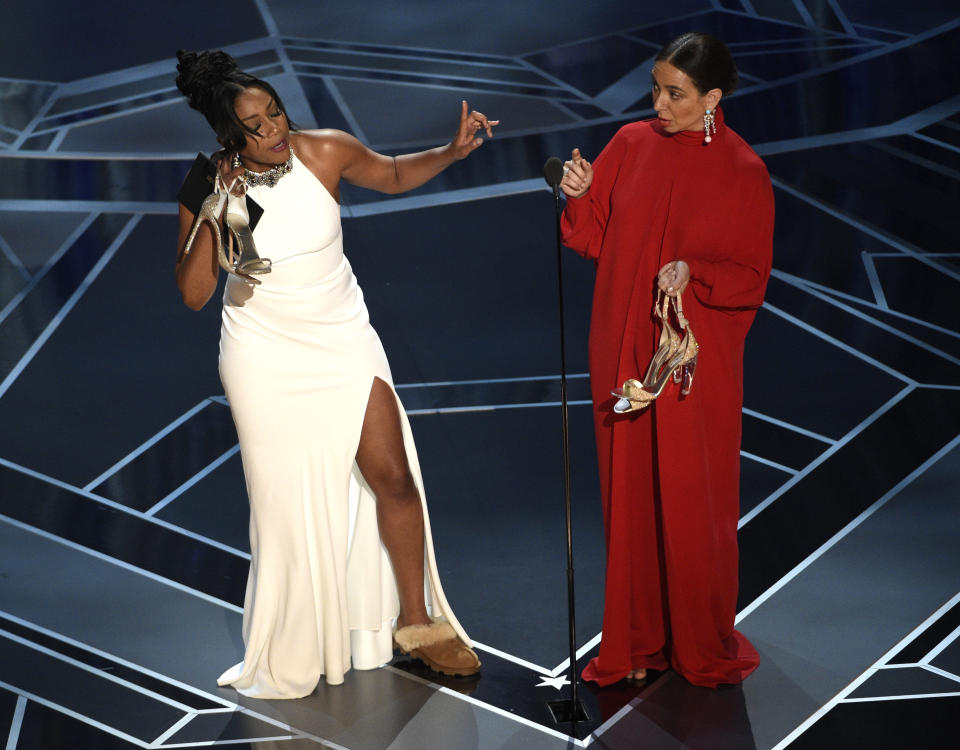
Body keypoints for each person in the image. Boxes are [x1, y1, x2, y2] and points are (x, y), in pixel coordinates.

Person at [173, 49, 498, 698]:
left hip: (342, 337)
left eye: (276, 113)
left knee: (393, 475)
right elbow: (194, 292)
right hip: (264, 355)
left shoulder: (323, 151)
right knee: (287, 512)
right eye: (255, 126)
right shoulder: (204, 183)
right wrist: (216, 210)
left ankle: (415, 622)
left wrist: (450, 153)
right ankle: (302, 640)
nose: (274, 131)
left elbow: (396, 174)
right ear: (226, 139)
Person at [559, 32, 773, 688]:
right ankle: (638, 639)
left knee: (691, 496)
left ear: (712, 98)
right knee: (629, 495)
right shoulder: (629, 145)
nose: (659, 102)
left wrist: (696, 271)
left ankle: (698, 639)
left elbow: (749, 277)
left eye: (675, 93)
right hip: (623, 347)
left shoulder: (742, 170)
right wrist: (579, 190)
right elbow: (593, 235)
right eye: (655, 87)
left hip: (691, 365)